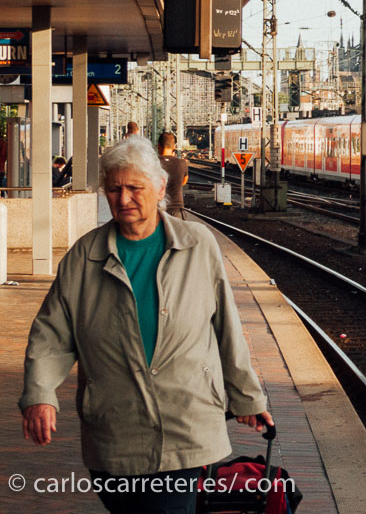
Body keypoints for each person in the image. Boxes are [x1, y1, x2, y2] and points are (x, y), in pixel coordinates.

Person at [20, 135, 272, 514]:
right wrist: (40, 394)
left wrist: (247, 398)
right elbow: (52, 335)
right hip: (113, 430)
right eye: (114, 189)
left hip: (186, 423)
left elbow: (226, 327)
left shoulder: (197, 245)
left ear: (159, 189)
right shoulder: (84, 257)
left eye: (134, 188)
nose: (123, 199)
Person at [157, 132, 188, 218]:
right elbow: (183, 182)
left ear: (159, 146)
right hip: (177, 209)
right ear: (174, 147)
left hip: (158, 210)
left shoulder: (154, 162)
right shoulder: (182, 163)